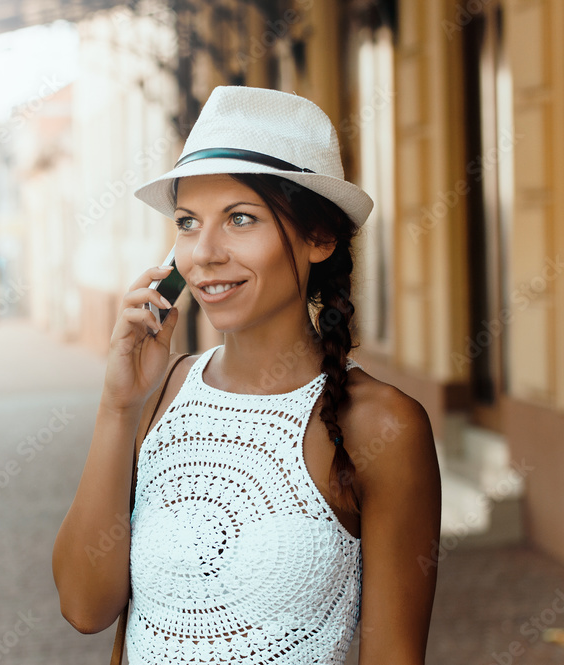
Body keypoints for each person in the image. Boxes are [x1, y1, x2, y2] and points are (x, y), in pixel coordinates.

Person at [51, 86, 442, 664]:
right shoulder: (160, 396)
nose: (204, 252)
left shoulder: (382, 426)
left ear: (320, 237)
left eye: (240, 218)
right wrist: (117, 407)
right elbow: (85, 608)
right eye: (187, 222)